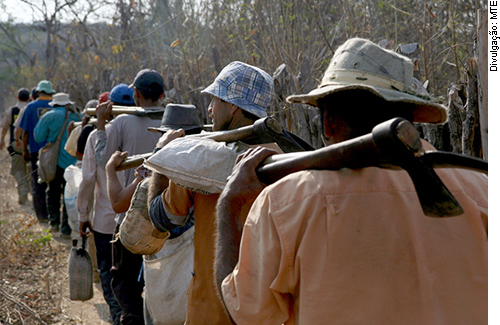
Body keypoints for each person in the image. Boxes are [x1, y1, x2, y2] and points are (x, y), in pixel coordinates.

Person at [214, 38, 488, 324]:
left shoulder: (287, 203)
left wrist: (229, 205)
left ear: (329, 121)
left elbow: (244, 313)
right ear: (409, 115)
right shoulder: (480, 190)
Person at [147, 61, 274, 324]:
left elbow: (161, 219)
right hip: (266, 313)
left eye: (215, 100)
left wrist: (163, 157)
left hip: (210, 311)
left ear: (233, 106)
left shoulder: (200, 160)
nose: (209, 109)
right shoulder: (285, 159)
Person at [94, 70, 164, 325]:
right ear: (162, 95)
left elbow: (105, 161)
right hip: (169, 214)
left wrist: (101, 127)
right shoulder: (175, 121)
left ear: (136, 94)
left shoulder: (123, 122)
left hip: (132, 213)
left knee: (123, 280)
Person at [77, 84, 136, 325]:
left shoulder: (96, 135)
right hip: (138, 221)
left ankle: (117, 317)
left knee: (108, 273)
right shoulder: (151, 131)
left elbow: (88, 180)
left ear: (108, 107)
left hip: (104, 221)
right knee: (133, 279)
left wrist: (83, 214)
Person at [34, 92, 81, 237]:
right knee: (69, 193)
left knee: (52, 191)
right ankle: (66, 228)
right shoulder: (76, 116)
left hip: (54, 161)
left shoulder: (49, 116)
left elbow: (38, 137)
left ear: (55, 104)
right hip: (72, 161)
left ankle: (54, 223)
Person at [18, 80, 56, 223]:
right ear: (51, 92)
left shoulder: (31, 107)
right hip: (54, 151)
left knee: (37, 182)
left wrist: (24, 150)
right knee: (53, 183)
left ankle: (42, 216)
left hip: (36, 150)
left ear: (39, 92)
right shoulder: (57, 106)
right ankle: (53, 214)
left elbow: (25, 132)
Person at [0, 88, 31, 205]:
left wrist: (2, 140)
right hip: (30, 146)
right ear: (29, 98)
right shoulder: (30, 109)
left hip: (16, 146)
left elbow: (4, 126)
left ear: (17, 98)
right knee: (29, 168)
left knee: (16, 169)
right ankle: (30, 189)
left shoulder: (11, 110)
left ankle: (23, 190)